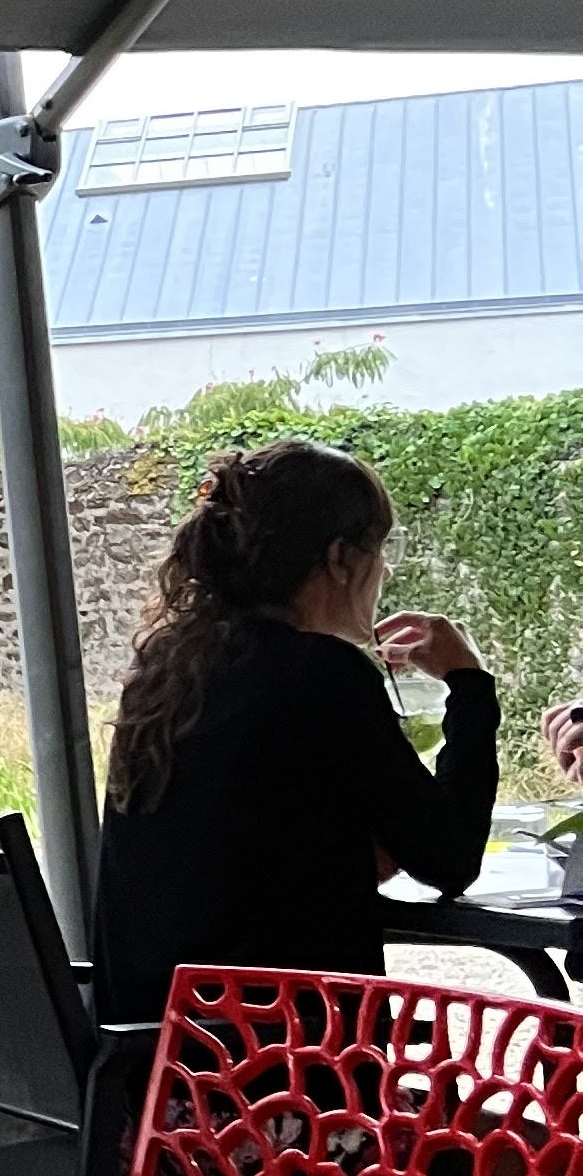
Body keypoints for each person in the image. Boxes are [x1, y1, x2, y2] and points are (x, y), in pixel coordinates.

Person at [91, 437, 497, 1032]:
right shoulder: (321, 674)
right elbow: (450, 859)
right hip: (287, 1069)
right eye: (381, 550)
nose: (385, 571)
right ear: (340, 558)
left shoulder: (168, 669)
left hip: (160, 1067)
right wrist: (469, 683)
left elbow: (242, 856)